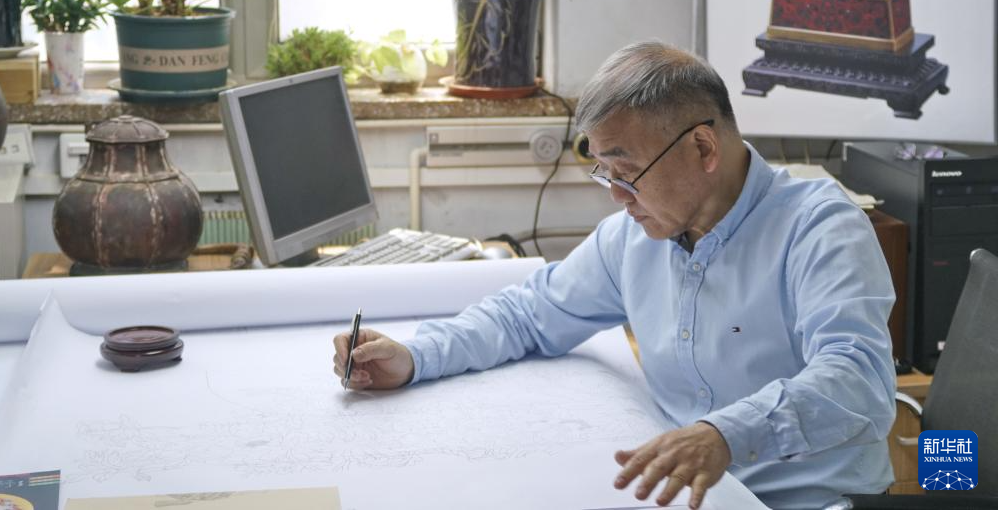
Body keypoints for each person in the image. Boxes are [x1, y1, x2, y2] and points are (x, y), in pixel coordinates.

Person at [332, 41, 897, 510]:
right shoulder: (632, 238)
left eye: (627, 172)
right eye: (604, 173)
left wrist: (724, 434)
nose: (618, 197)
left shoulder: (820, 228)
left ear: (703, 147)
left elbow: (859, 380)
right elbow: (527, 315)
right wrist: (415, 356)